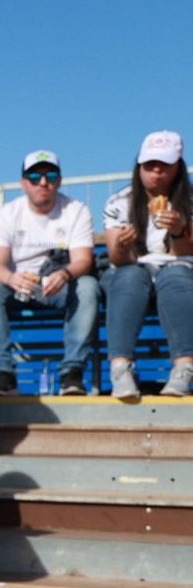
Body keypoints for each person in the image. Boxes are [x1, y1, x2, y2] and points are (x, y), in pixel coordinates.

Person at [0, 150, 99, 396]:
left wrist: (64, 274)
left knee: (88, 287)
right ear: (23, 183)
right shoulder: (7, 214)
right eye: (35, 177)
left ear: (60, 181)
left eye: (50, 175)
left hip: (60, 284)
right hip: (18, 286)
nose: (43, 182)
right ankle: (4, 372)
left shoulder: (77, 210)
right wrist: (12, 278)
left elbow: (83, 260)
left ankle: (72, 373)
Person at [102, 130, 193, 398]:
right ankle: (120, 368)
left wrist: (179, 230)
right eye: (149, 165)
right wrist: (121, 246)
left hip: (181, 266)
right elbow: (117, 259)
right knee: (128, 276)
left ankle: (184, 367)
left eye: (163, 165)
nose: (156, 171)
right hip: (136, 268)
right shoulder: (119, 202)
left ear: (177, 166)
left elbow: (185, 254)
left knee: (176, 276)